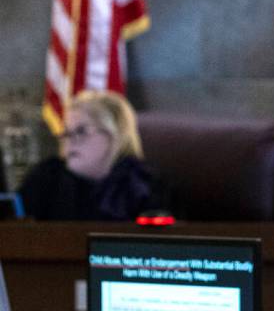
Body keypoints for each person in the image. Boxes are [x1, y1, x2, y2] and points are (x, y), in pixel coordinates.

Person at [19, 90, 169, 220]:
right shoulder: (47, 178)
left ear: (114, 134)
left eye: (81, 131)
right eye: (66, 132)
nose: (69, 141)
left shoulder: (143, 186)